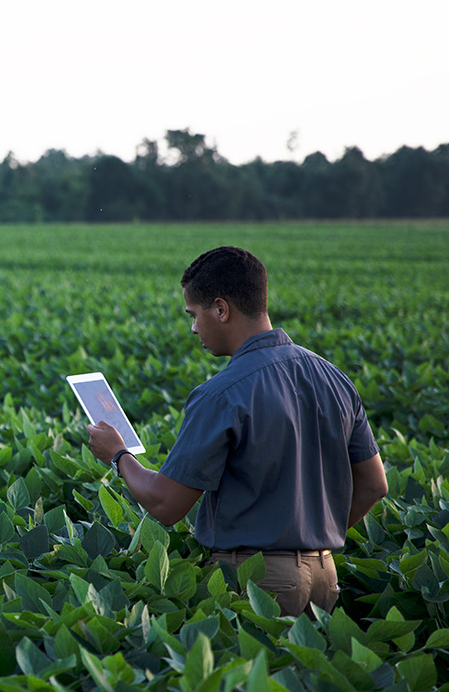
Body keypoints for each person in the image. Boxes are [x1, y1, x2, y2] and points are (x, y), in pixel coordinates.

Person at [86, 246, 388, 617]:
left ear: (221, 309)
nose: (193, 327)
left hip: (256, 579)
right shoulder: (333, 378)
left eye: (194, 315)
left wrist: (118, 455)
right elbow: (375, 485)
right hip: (325, 575)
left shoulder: (222, 393)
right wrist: (308, 538)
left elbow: (166, 504)